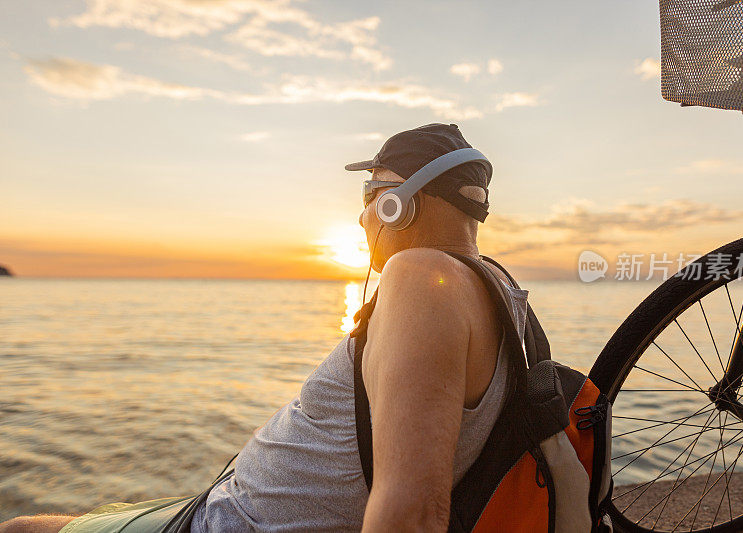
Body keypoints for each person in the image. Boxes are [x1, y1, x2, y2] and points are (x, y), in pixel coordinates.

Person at [0, 123, 532, 532]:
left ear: (397, 204)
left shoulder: (420, 279)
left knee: (21, 528)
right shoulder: (504, 296)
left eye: (369, 197)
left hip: (228, 524)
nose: (362, 219)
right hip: (222, 507)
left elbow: (413, 513)